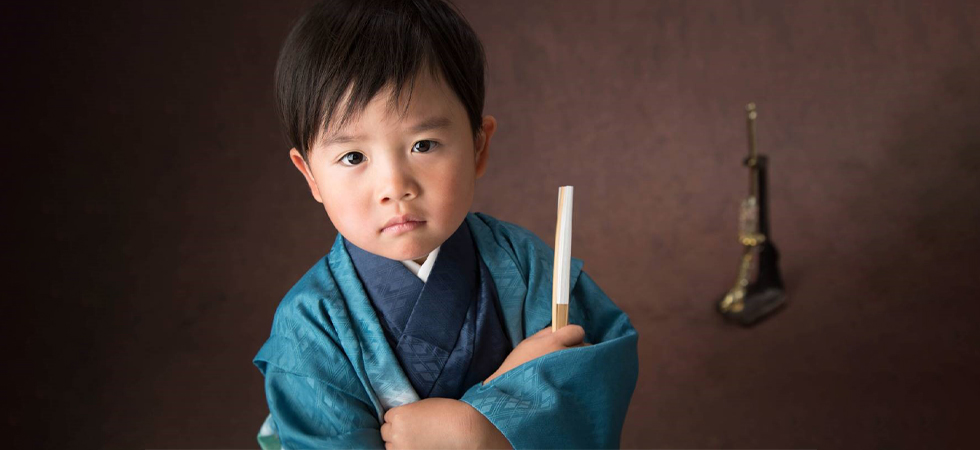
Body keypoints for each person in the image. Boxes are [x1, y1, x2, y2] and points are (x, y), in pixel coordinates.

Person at [253, 0, 639, 448]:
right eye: (353, 156)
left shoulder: (524, 264)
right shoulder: (309, 325)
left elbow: (600, 371)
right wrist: (503, 400)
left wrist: (484, 430)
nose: (395, 186)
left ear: (479, 147)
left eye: (424, 144)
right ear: (310, 175)